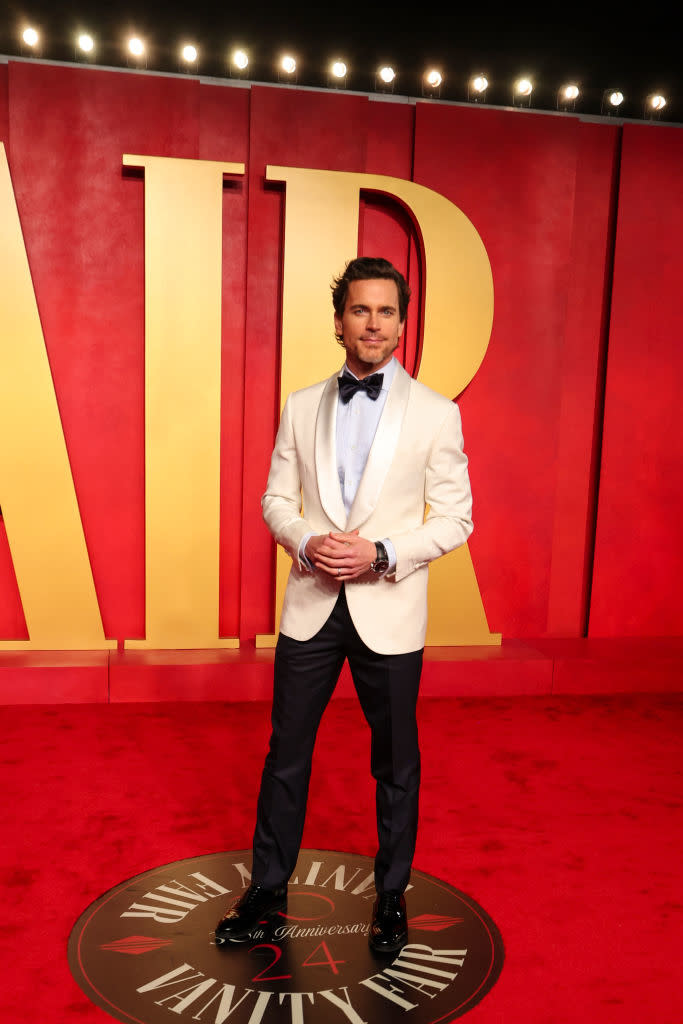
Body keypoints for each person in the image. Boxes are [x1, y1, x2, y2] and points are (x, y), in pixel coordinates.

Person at [215, 256, 473, 953]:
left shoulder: (435, 412)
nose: (373, 324)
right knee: (285, 753)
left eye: (386, 311)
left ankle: (390, 899)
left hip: (389, 611)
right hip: (311, 605)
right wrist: (304, 539)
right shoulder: (302, 404)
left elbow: (455, 519)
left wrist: (381, 553)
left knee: (395, 762)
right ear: (339, 322)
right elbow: (275, 499)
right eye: (360, 310)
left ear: (399, 322)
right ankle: (267, 890)